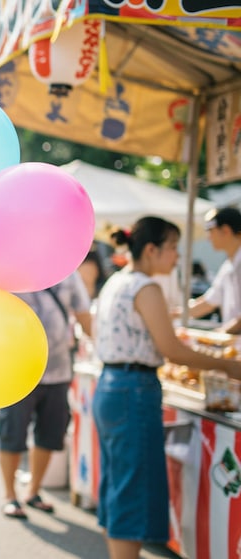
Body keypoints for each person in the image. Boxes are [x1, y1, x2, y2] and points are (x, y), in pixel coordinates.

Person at [93, 216, 241, 559]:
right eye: (173, 248)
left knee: (117, 483)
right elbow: (172, 349)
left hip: (112, 386)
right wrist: (231, 366)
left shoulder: (118, 281)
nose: (177, 257)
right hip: (134, 390)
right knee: (131, 489)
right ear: (151, 249)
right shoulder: (146, 286)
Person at [0, 272, 92, 520]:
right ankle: (10, 495)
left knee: (50, 434)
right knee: (12, 433)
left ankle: (34, 491)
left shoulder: (69, 274)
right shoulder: (9, 270)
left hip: (58, 369)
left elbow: (83, 314)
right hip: (16, 370)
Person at [189, 207, 241, 333]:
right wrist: (176, 313)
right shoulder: (228, 265)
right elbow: (209, 301)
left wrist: (222, 333)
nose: (208, 238)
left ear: (226, 231)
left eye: (210, 231)